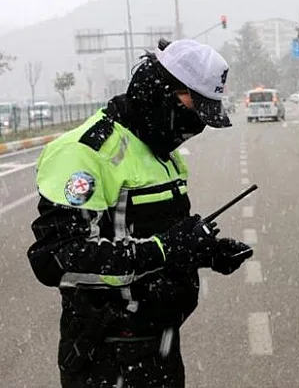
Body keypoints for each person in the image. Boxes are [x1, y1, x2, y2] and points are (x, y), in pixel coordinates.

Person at [26, 38, 254, 387]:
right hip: (106, 354)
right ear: (162, 94)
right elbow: (58, 260)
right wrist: (163, 248)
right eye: (195, 112)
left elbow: (158, 235)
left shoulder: (162, 152)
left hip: (159, 345)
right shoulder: (86, 152)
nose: (196, 128)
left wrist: (205, 252)